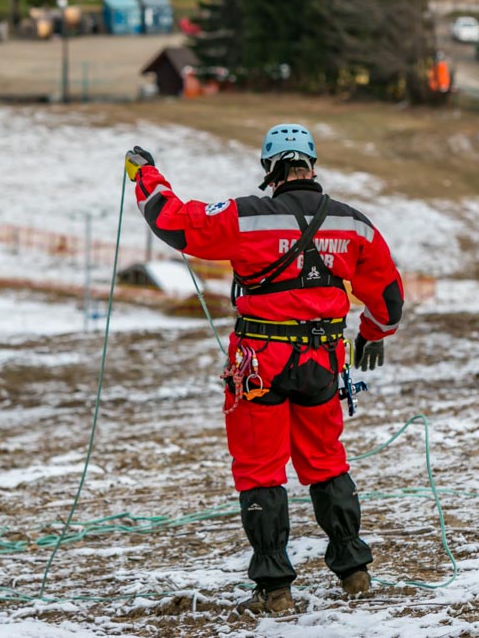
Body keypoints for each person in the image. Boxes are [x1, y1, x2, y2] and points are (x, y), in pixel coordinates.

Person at [125, 123, 404, 615]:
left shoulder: (245, 215)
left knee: (260, 471)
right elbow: (388, 293)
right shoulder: (353, 224)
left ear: (269, 170)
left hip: (259, 362)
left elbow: (174, 222)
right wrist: (373, 334)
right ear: (311, 167)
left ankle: (275, 590)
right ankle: (354, 570)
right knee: (326, 461)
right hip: (322, 360)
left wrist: (145, 174)